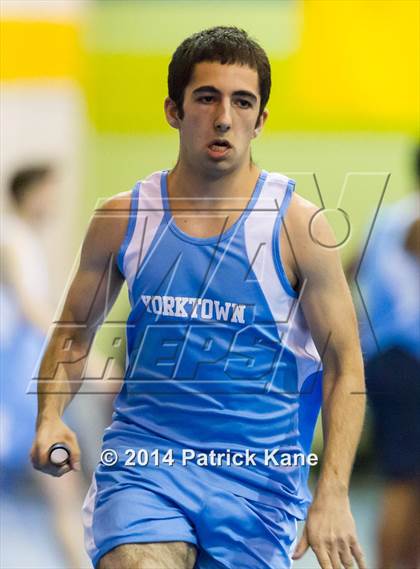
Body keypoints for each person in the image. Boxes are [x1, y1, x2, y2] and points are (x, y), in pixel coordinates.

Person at [30, 27, 367, 569]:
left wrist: (333, 492)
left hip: (259, 483)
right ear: (173, 109)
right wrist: (50, 415)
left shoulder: (299, 227)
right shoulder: (123, 219)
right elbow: (73, 330)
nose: (224, 117)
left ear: (261, 120)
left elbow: (345, 366)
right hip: (145, 464)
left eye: (242, 102)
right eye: (206, 97)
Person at [1, 166, 90, 568]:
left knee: (62, 486)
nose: (55, 201)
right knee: (61, 483)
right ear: (31, 193)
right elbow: (31, 310)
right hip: (15, 378)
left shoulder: (27, 241)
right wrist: (79, 351)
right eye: (50, 192)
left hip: (25, 372)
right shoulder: (12, 240)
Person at [356, 146, 420, 569]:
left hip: (383, 357)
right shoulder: (414, 222)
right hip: (407, 361)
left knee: (406, 477)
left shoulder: (388, 217)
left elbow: (348, 270)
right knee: (405, 480)